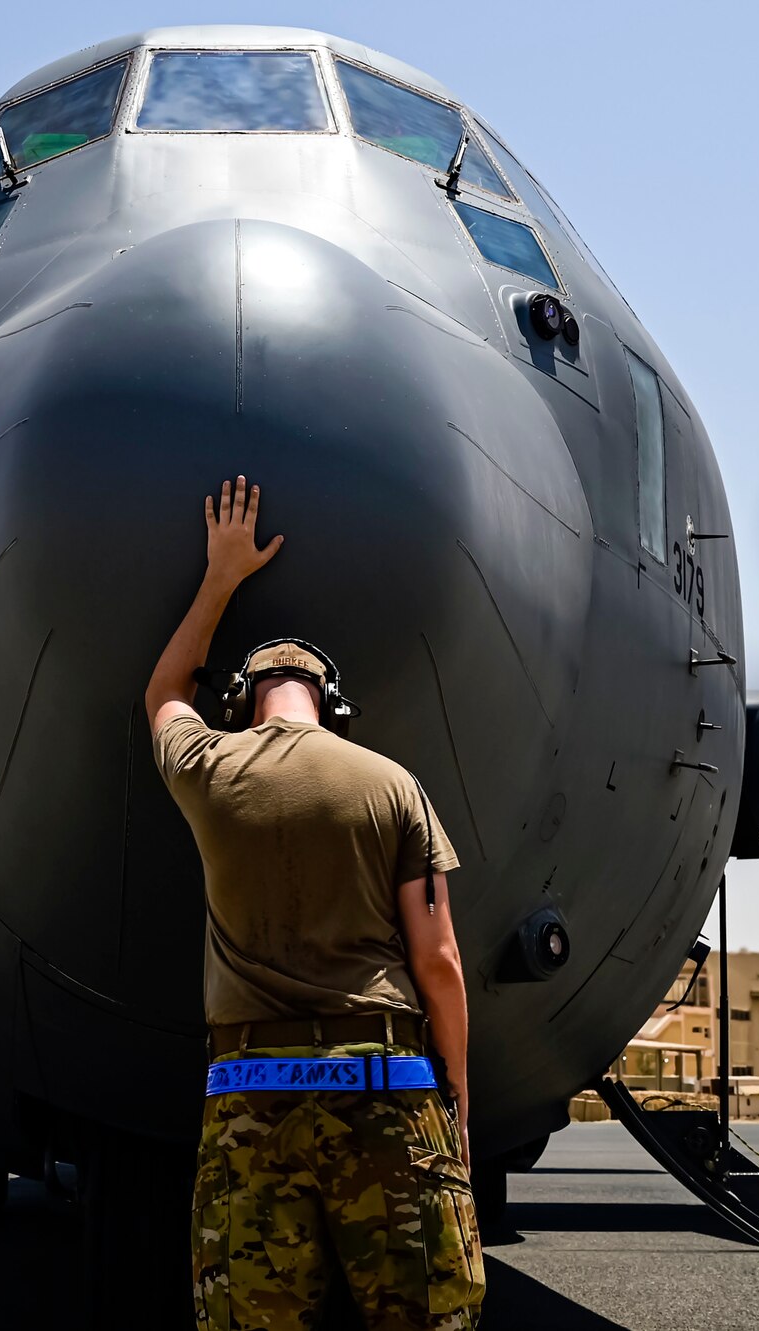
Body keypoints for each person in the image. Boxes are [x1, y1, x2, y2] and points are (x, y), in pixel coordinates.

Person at [145, 476, 484, 1329]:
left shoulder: (209, 769)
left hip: (251, 1101)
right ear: (332, 706)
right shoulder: (393, 785)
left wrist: (220, 579)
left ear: (244, 703)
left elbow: (163, 696)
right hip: (387, 1088)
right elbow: (438, 960)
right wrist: (461, 1095)